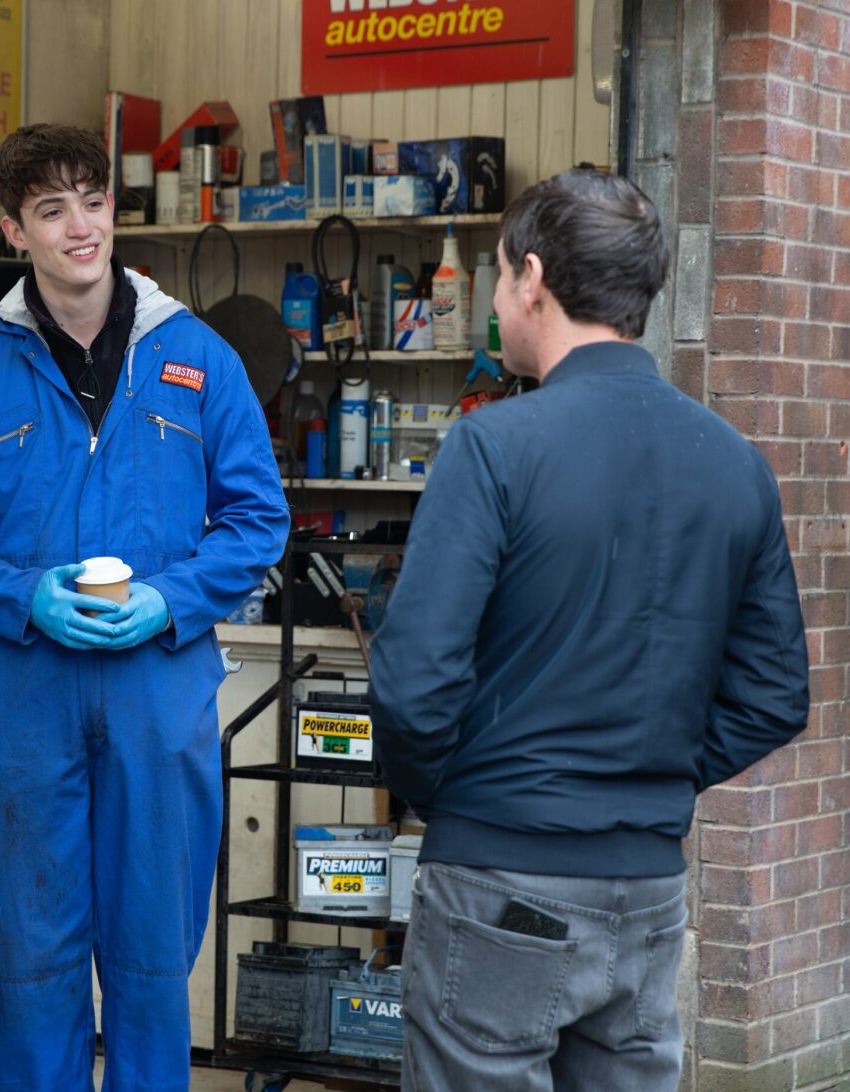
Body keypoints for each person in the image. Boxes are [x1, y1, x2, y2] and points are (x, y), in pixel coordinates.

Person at [369, 169, 809, 1091]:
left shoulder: (494, 447)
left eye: (499, 276)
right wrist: (652, 779)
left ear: (533, 278)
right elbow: (774, 696)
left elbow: (413, 684)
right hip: (645, 890)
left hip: (498, 874)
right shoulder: (738, 466)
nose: (497, 301)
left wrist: (461, 796)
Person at [0, 123, 288, 1090]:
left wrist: (168, 599)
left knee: (152, 962)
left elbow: (257, 519)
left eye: (94, 202)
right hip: (19, 701)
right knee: (28, 960)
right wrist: (23, 594)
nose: (81, 227)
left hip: (158, 697)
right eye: (52, 209)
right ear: (14, 231)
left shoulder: (198, 358)